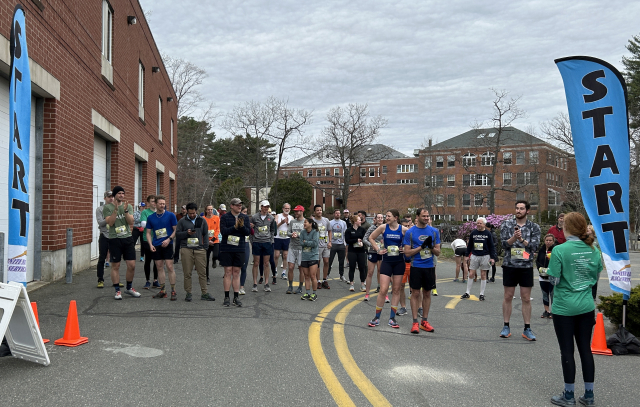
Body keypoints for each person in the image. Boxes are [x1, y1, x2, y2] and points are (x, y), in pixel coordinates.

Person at [547, 212, 601, 407]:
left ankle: (568, 396)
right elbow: (596, 274)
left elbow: (554, 279)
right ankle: (589, 395)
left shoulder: (560, 250)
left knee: (567, 351)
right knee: (585, 349)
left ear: (566, 228)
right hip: (586, 305)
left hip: (564, 307)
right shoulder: (594, 249)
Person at [499, 200, 541, 340]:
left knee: (525, 298)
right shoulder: (506, 224)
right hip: (510, 265)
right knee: (508, 296)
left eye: (522, 208)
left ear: (527, 211)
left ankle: (527, 328)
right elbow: (504, 245)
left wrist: (522, 240)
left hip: (526, 267)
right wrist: (513, 238)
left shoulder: (534, 227)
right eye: (517, 208)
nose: (518, 211)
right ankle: (506, 326)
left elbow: (533, 247)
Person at [367, 209, 408, 329]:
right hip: (387, 262)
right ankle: (377, 317)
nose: (386, 218)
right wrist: (378, 249)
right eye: (386, 216)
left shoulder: (404, 229)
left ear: (396, 217)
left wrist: (406, 250)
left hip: (399, 262)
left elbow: (413, 240)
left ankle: (392, 318)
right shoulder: (383, 227)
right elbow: (371, 238)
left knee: (396, 290)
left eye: (389, 216)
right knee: (383, 290)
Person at [403, 208, 440, 334]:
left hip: (429, 267)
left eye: (427, 216)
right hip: (416, 266)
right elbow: (407, 253)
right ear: (417, 216)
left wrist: (430, 247)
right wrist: (421, 247)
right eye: (423, 216)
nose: (426, 218)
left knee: (428, 293)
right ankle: (415, 323)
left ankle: (424, 321)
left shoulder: (434, 231)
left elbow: (438, 252)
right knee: (415, 294)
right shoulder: (410, 232)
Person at [103, 186, 141, 300]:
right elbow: (110, 222)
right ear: (114, 195)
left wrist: (125, 211)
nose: (121, 195)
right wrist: (115, 209)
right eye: (119, 193)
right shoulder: (107, 207)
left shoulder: (128, 206)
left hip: (127, 238)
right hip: (114, 239)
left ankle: (129, 288)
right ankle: (117, 290)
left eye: (123, 193)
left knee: (132, 265)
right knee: (116, 265)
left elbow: (130, 222)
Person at [176, 202, 215, 302]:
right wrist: (187, 233)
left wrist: (205, 247)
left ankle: (204, 293)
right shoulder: (182, 221)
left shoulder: (202, 220)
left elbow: (205, 234)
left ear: (196, 211)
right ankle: (188, 293)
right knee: (187, 273)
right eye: (190, 213)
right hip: (186, 249)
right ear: (187, 212)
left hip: (200, 249)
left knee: (202, 273)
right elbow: (178, 235)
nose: (192, 215)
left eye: (193, 213)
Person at [219, 198, 251, 307]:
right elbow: (223, 232)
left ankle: (236, 297)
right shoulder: (224, 217)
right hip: (227, 248)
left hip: (240, 248)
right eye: (237, 205)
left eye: (240, 205)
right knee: (228, 271)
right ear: (231, 206)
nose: (239, 206)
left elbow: (247, 233)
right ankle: (226, 297)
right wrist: (234, 227)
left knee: (236, 272)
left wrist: (241, 226)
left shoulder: (245, 217)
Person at [146, 195, 178, 300]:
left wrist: (169, 239)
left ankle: (173, 290)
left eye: (164, 203)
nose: (162, 205)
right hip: (156, 245)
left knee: (169, 267)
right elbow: (148, 233)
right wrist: (150, 245)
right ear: (155, 204)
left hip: (167, 244)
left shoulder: (170, 215)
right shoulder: (151, 217)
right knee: (159, 267)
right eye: (160, 203)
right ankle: (163, 290)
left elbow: (176, 230)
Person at [461, 217, 496, 301]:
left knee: (483, 274)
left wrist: (492, 257)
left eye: (480, 223)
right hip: (474, 255)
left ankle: (481, 294)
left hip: (485, 256)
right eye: (477, 223)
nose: (478, 225)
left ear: (484, 224)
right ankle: (467, 292)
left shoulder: (488, 233)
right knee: (471, 274)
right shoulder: (473, 233)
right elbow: (470, 245)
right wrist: (466, 255)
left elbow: (491, 246)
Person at [250, 200, 276, 292]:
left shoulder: (271, 218)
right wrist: (252, 241)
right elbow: (251, 229)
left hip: (267, 242)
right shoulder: (254, 217)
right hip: (257, 242)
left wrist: (271, 240)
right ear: (261, 207)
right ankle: (255, 283)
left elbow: (273, 230)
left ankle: (266, 283)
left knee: (266, 263)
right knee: (256, 263)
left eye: (267, 207)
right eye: (264, 207)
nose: (266, 208)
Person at [95, 190, 115, 288]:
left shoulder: (117, 208)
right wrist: (110, 218)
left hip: (115, 236)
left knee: (116, 259)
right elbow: (101, 223)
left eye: (112, 196)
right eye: (109, 197)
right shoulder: (100, 209)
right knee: (102, 258)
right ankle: (100, 280)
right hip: (104, 235)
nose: (111, 198)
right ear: (105, 198)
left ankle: (116, 281)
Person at [140, 195, 160, 289]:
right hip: (147, 239)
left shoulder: (159, 212)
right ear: (148, 203)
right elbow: (143, 224)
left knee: (157, 261)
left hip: (158, 239)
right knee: (148, 260)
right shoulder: (145, 212)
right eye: (152, 201)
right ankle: (147, 281)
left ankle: (155, 280)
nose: (154, 203)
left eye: (155, 201)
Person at [363, 213, 384, 301]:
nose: (380, 219)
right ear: (375, 219)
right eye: (378, 218)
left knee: (381, 271)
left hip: (382, 252)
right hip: (373, 251)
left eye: (381, 218)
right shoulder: (372, 228)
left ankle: (381, 290)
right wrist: (371, 245)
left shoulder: (386, 228)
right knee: (370, 272)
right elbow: (365, 239)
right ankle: (367, 294)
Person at [286, 205, 306, 294]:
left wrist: (298, 235)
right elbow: (288, 232)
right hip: (292, 247)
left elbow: (307, 234)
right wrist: (292, 234)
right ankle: (290, 286)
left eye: (297, 211)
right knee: (290, 267)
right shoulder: (292, 221)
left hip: (301, 248)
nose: (295, 213)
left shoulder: (306, 222)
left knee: (301, 268)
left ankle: (300, 287)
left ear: (302, 211)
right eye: (295, 211)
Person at [345, 214, 367, 292]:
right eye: (359, 220)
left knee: (362, 267)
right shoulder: (349, 230)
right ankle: (351, 284)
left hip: (361, 251)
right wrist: (356, 240)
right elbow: (347, 240)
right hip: (352, 251)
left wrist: (362, 242)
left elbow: (365, 239)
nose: (360, 221)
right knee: (352, 267)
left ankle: (362, 284)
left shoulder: (362, 230)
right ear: (355, 221)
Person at [312, 205, 332, 289]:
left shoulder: (326, 220)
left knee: (326, 261)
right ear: (314, 212)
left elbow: (329, 231)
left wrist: (330, 241)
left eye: (320, 210)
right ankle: (318, 280)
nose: (319, 211)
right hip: (317, 245)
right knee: (318, 263)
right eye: (317, 210)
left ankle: (324, 280)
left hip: (325, 244)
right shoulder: (312, 221)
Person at [300, 217, 320, 301]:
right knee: (306, 276)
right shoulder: (302, 232)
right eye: (304, 222)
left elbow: (315, 243)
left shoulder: (315, 232)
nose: (304, 224)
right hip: (304, 257)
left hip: (313, 256)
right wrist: (307, 243)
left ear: (310, 224)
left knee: (312, 276)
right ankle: (307, 293)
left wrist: (306, 242)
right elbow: (301, 242)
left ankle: (314, 293)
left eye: (306, 222)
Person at [537, 234, 557, 319]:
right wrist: (540, 269)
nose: (548, 242)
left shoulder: (555, 250)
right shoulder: (541, 250)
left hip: (552, 276)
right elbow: (537, 261)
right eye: (547, 240)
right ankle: (546, 310)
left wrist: (551, 260)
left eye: (550, 240)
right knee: (545, 294)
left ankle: (553, 311)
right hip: (542, 275)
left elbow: (558, 262)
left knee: (553, 294)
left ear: (553, 241)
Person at [275, 203, 293, 280]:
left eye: (288, 208)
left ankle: (283, 272)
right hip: (278, 237)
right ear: (282, 209)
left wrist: (289, 224)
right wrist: (281, 223)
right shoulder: (278, 216)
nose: (287, 210)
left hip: (287, 238)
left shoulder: (291, 217)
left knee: (285, 255)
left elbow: (292, 229)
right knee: (276, 255)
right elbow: (275, 227)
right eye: (285, 208)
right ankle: (275, 270)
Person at [203, 204, 220, 285]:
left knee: (216, 255)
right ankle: (207, 277)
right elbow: (202, 231)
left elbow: (217, 229)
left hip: (215, 240)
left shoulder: (216, 218)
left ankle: (214, 260)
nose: (210, 211)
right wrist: (207, 240)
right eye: (208, 209)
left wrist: (213, 238)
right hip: (206, 241)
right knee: (205, 260)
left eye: (211, 209)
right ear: (206, 210)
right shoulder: (203, 219)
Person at [329, 209, 348, 282]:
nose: (337, 214)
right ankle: (327, 274)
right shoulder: (330, 222)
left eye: (339, 213)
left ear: (340, 214)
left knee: (341, 261)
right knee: (330, 261)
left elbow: (345, 233)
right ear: (334, 214)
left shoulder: (343, 223)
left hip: (341, 244)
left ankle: (341, 275)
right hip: (333, 244)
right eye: (336, 213)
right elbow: (328, 232)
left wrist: (345, 243)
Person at [239, 205, 251, 295]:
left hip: (246, 244)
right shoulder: (234, 219)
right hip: (236, 244)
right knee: (235, 268)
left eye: (246, 212)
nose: (245, 214)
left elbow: (250, 232)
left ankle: (242, 287)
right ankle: (235, 284)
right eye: (243, 212)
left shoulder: (247, 220)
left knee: (244, 267)